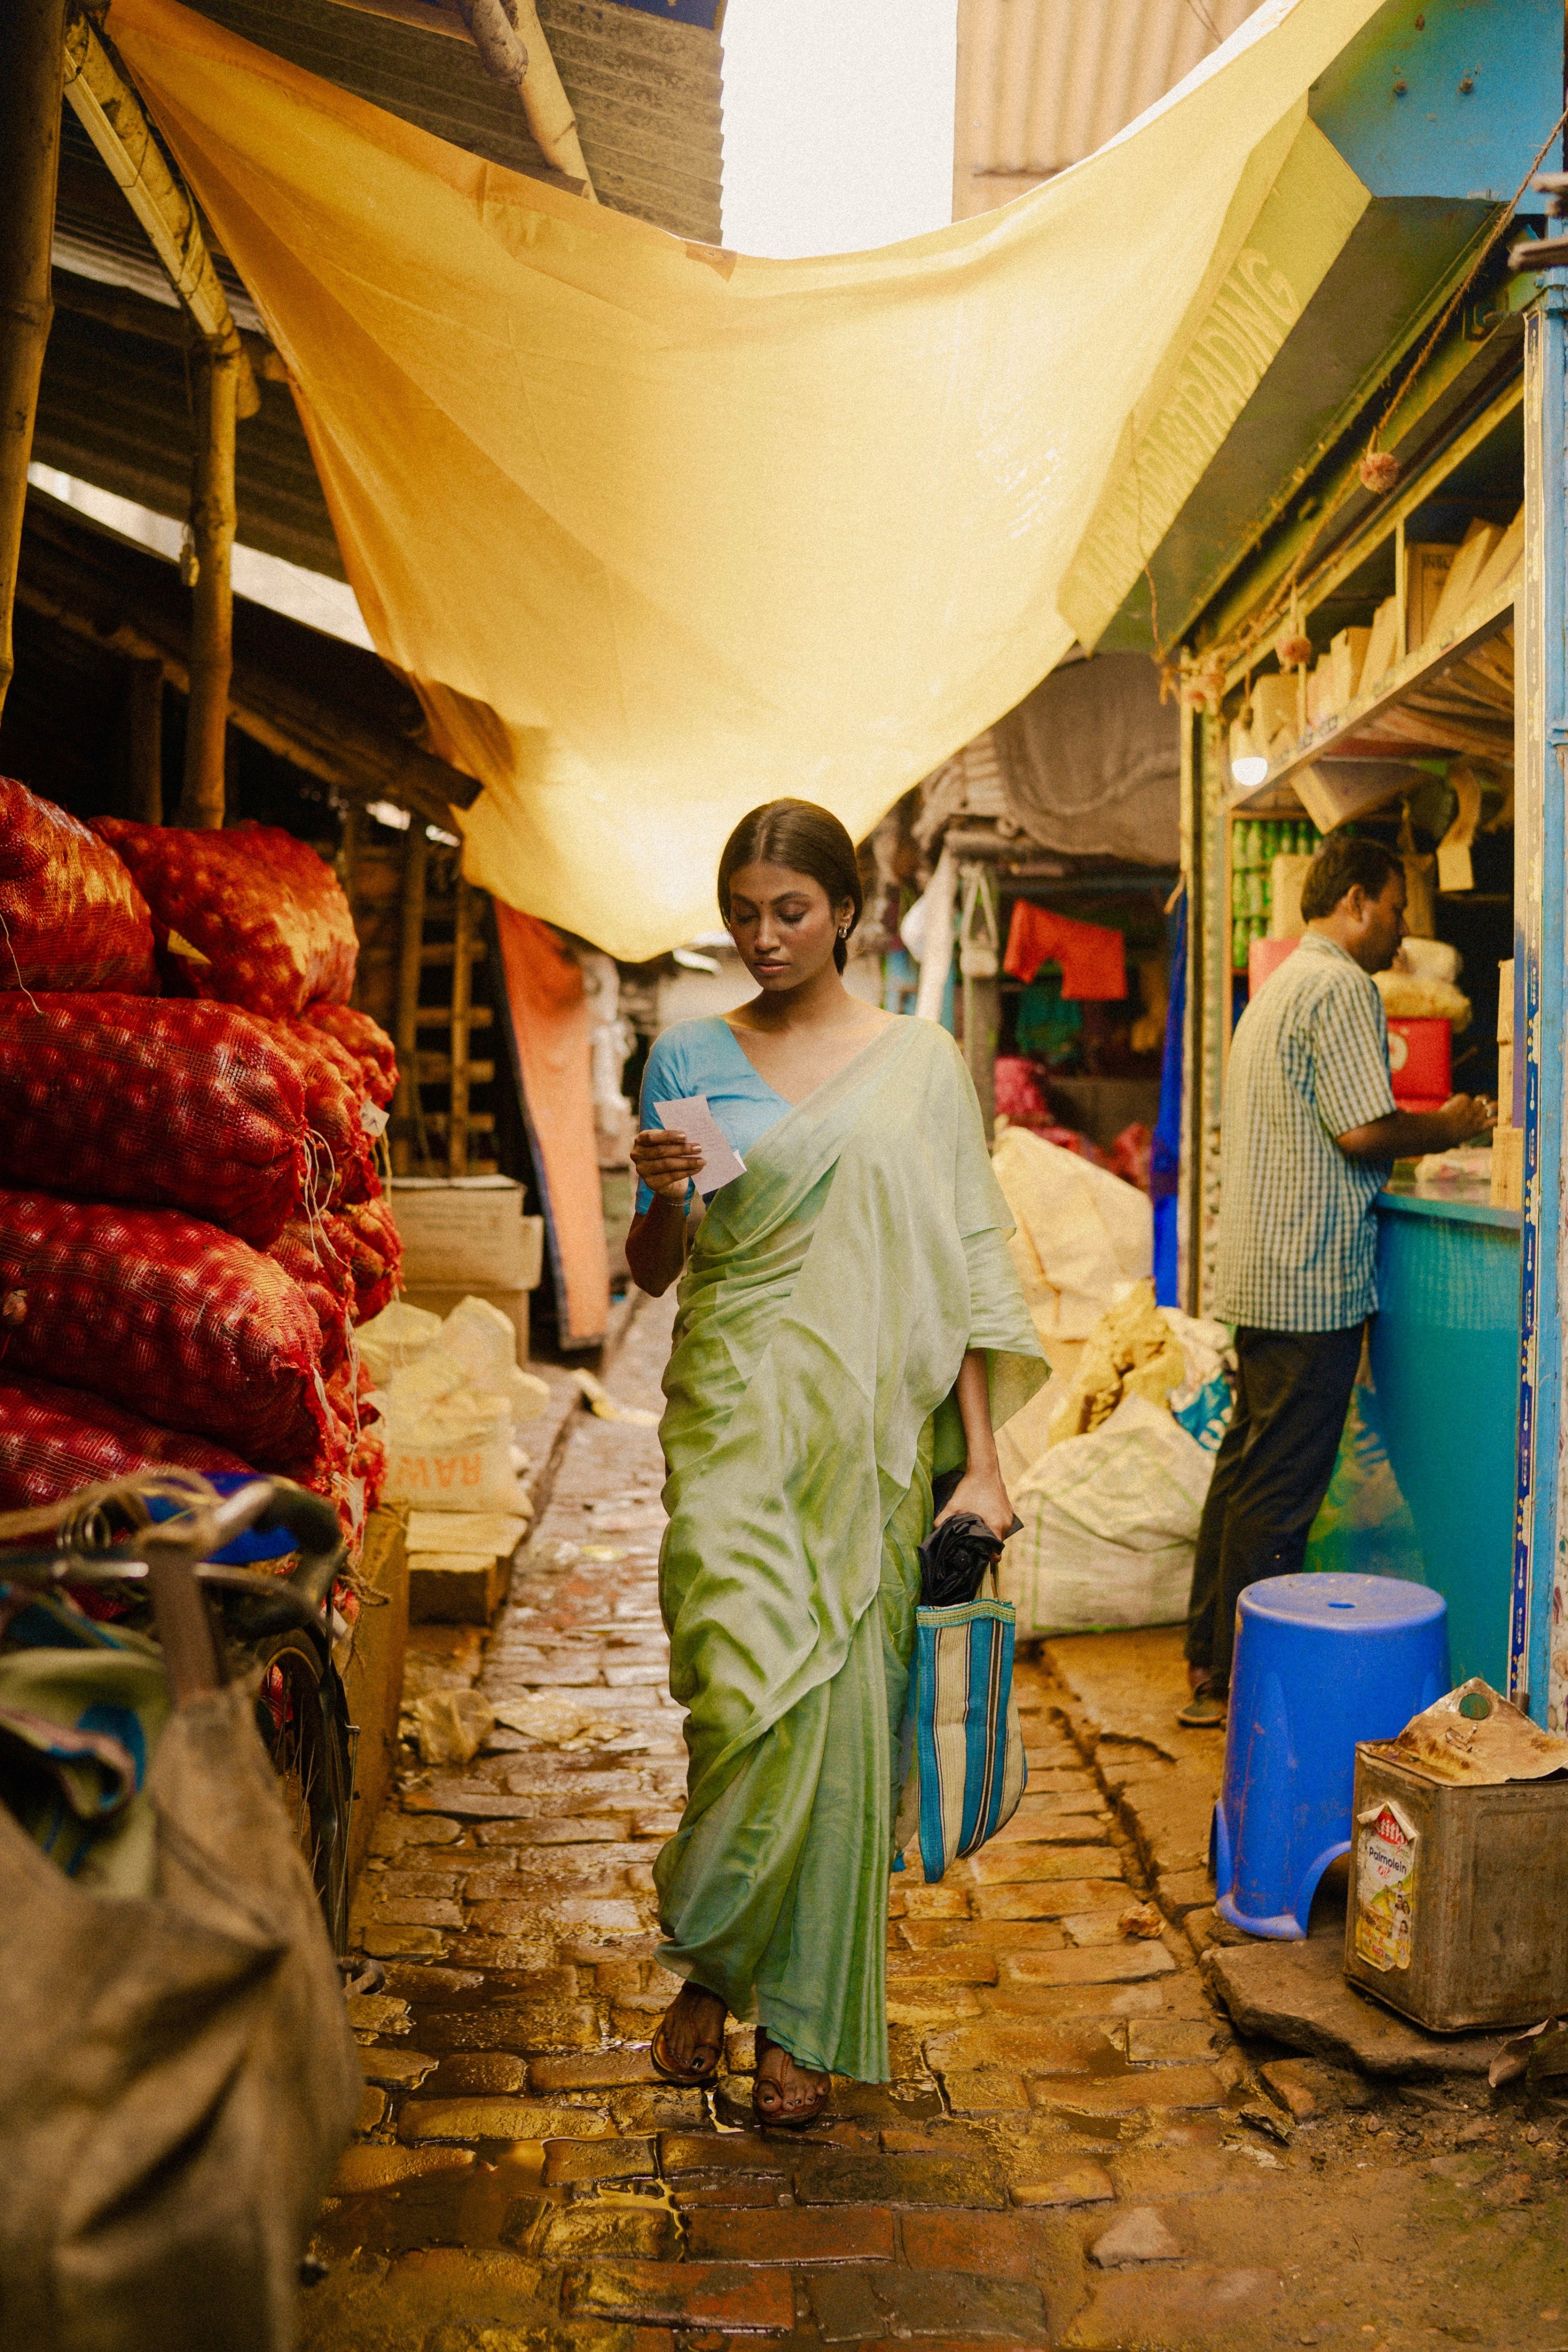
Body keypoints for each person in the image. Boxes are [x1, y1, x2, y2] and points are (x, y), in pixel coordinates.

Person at [627, 799, 1045, 2126]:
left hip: (866, 1450)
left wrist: (983, 1465)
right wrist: (664, 1198)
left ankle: (790, 2025)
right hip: (734, 1430)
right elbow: (657, 1266)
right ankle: (715, 1946)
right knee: (740, 1702)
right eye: (742, 912)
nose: (763, 936)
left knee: (841, 1720)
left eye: (789, 911)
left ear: (848, 914)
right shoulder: (690, 1054)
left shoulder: (920, 1066)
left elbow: (966, 1268)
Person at [1180, 832, 1495, 1730]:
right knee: (1280, 1492)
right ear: (1356, 899)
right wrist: (1451, 1125)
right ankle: (1244, 1690)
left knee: (1246, 1472)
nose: (1400, 934)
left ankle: (1210, 1661)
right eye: (1395, 910)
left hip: (1263, 1270)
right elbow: (1363, 1130)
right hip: (1310, 1277)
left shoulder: (1280, 985)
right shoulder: (1341, 986)